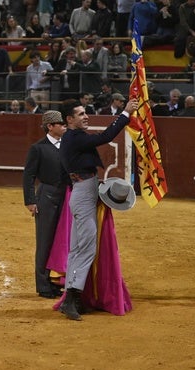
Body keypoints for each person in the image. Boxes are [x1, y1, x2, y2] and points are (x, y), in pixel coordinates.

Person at [57, 97, 139, 321]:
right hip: (84, 192)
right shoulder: (74, 137)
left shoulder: (71, 138)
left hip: (83, 189)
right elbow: (105, 137)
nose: (86, 117)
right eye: (81, 114)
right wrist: (125, 114)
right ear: (70, 119)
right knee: (86, 249)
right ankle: (72, 300)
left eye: (86, 113)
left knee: (78, 247)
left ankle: (72, 298)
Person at [23, 110, 70, 299]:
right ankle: (43, 285)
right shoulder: (38, 148)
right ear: (50, 126)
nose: (64, 126)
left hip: (65, 196)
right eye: (60, 123)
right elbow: (28, 175)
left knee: (61, 240)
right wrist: (30, 201)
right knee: (44, 241)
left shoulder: (67, 145)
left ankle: (55, 281)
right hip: (47, 195)